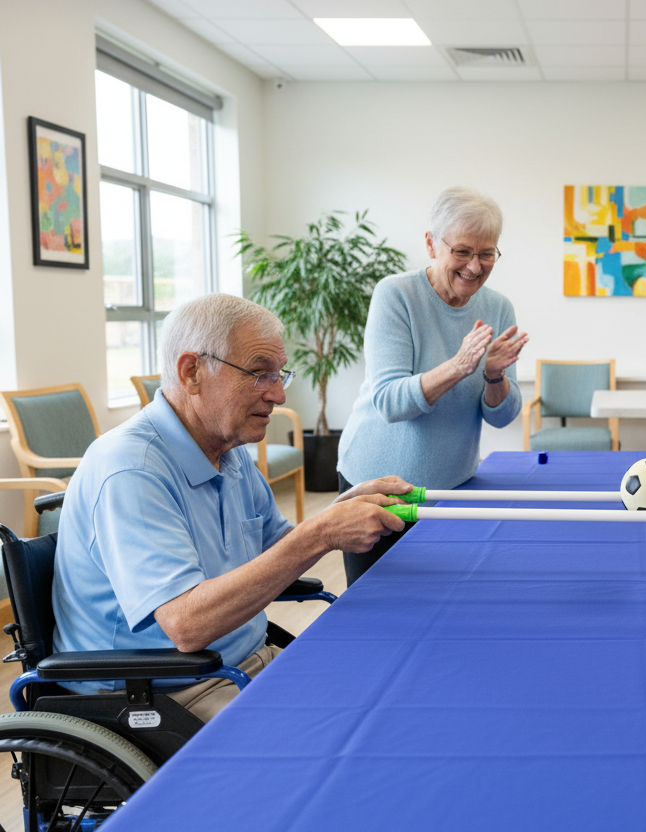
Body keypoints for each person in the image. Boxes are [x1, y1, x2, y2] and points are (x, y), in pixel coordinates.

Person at [51, 294, 410, 722]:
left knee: (385, 695)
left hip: (242, 664)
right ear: (192, 372)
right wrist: (321, 533)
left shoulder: (226, 447)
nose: (277, 394)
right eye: (260, 374)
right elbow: (187, 625)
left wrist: (342, 511)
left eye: (279, 375)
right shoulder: (131, 469)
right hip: (161, 690)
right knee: (345, 732)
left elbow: (276, 545)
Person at [337, 187, 528, 586]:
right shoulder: (396, 295)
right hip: (378, 483)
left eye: (487, 253)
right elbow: (390, 403)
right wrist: (459, 367)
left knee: (445, 610)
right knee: (375, 612)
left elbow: (503, 415)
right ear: (431, 244)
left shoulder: (498, 307)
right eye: (462, 251)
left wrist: (493, 376)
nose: (475, 266)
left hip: (452, 487)